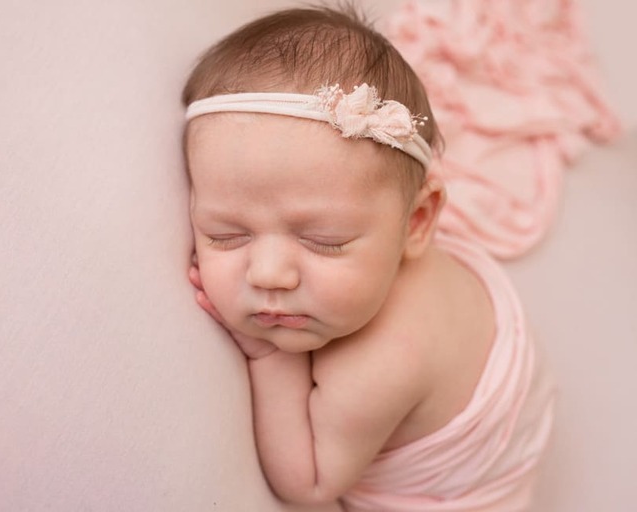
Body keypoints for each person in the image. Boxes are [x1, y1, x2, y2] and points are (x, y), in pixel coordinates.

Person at [182, 6, 554, 511]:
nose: (268, 273)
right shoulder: (359, 257)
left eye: (324, 240)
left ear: (418, 223)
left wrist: (268, 357)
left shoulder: (380, 364)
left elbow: (309, 482)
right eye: (226, 234)